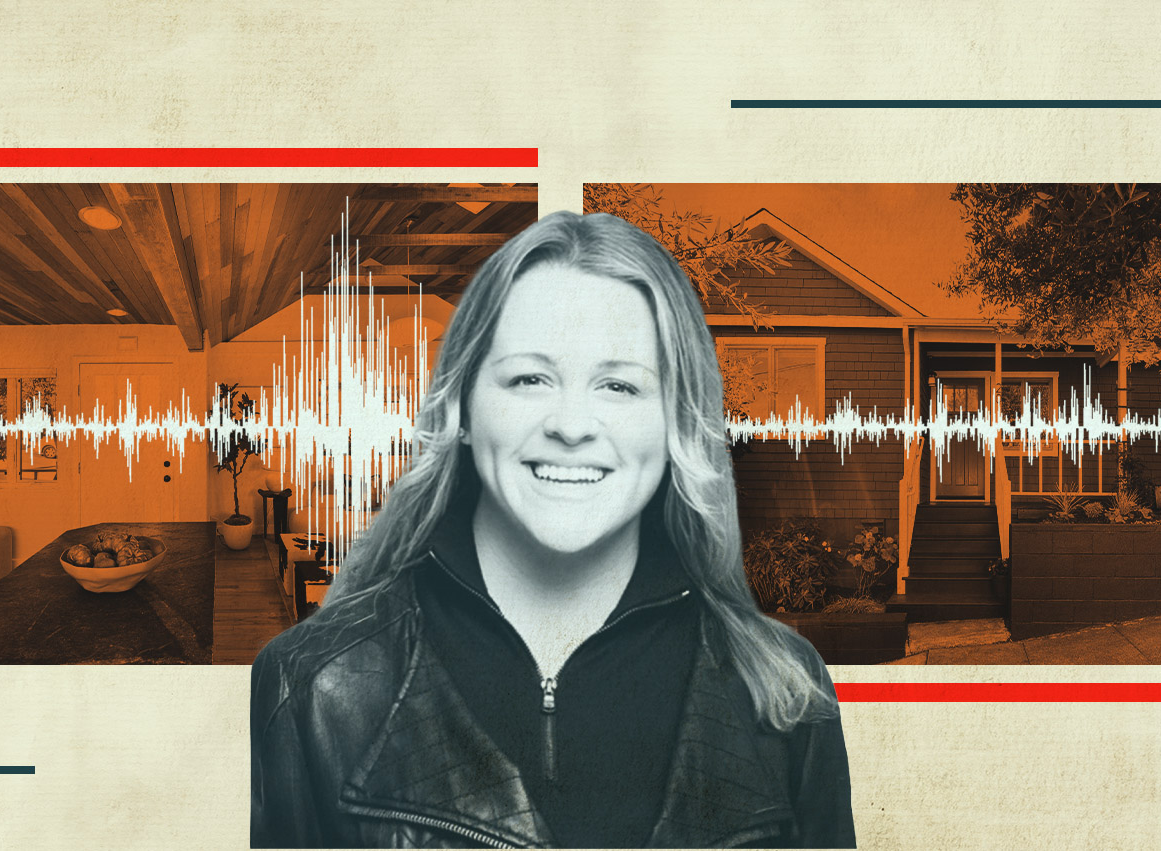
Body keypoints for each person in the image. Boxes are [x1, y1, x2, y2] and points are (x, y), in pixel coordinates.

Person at [250, 211, 855, 848]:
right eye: (529, 378)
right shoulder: (310, 685)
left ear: (677, 424)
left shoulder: (789, 692)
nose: (571, 425)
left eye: (620, 384)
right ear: (460, 409)